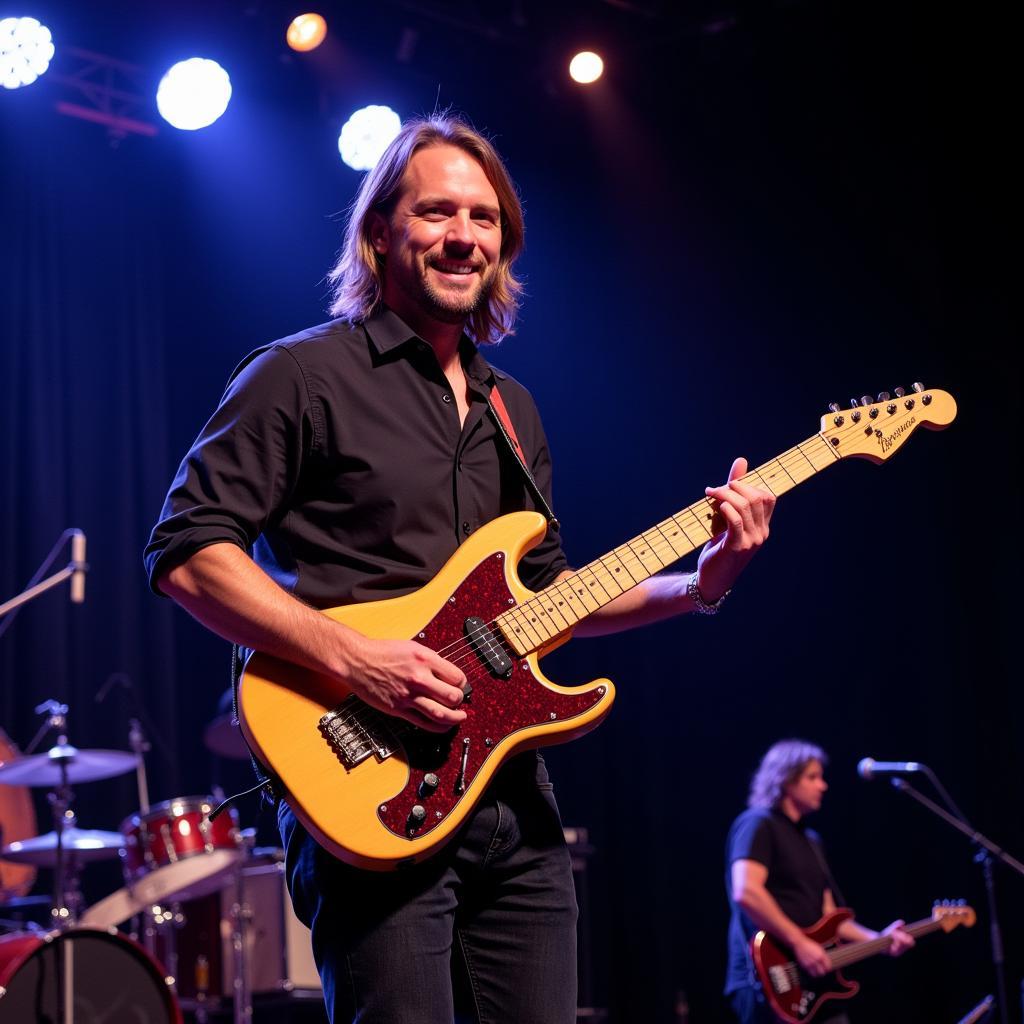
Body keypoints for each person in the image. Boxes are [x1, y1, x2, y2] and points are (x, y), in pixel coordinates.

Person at [145, 114, 776, 1024]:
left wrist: (702, 583)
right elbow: (187, 554)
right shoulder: (300, 376)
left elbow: (556, 598)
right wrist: (358, 659)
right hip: (369, 788)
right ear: (379, 234)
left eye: (483, 219)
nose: (462, 236)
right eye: (436, 212)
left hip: (512, 804)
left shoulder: (510, 408)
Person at [725, 739, 915, 1023]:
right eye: (812, 777)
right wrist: (799, 943)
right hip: (767, 979)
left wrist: (879, 940)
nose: (823, 785)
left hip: (816, 982)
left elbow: (828, 916)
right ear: (785, 780)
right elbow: (746, 891)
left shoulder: (811, 841)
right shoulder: (758, 824)